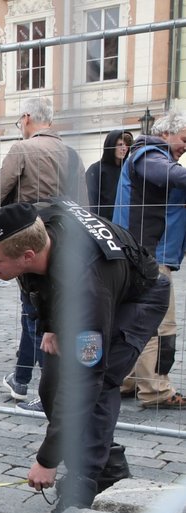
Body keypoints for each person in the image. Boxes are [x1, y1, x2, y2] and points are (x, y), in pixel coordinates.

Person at [0, 200, 168, 513]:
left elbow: (87, 379)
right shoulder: (36, 227)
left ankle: (80, 495)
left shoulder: (86, 286)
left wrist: (47, 460)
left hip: (138, 298)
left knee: (99, 387)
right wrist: (49, 323)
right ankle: (110, 467)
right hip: (88, 289)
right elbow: (36, 283)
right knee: (51, 382)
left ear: (28, 256)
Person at [0, 96, 87, 407]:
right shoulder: (71, 154)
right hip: (66, 244)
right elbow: (84, 205)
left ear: (27, 118)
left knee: (35, 314)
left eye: (20, 121)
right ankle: (21, 377)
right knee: (44, 312)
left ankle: (50, 391)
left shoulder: (22, 149)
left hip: (29, 242)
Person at [113, 110, 186, 409]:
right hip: (150, 256)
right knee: (160, 324)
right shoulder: (150, 154)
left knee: (134, 320)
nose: (185, 146)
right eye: (184, 139)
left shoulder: (148, 154)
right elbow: (169, 175)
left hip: (144, 253)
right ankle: (156, 390)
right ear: (166, 134)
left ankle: (126, 379)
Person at [86, 130, 133, 221]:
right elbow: (91, 201)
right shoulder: (96, 169)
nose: (124, 148)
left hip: (125, 223)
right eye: (120, 144)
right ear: (110, 145)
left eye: (127, 145)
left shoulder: (128, 170)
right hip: (102, 224)